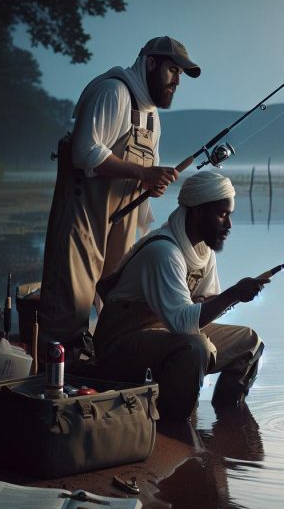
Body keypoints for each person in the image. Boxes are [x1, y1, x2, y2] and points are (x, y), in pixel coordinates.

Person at [39, 36, 200, 355]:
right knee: (69, 307)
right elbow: (84, 152)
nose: (177, 81)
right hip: (83, 216)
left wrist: (152, 183)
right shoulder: (113, 92)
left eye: (181, 74)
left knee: (120, 303)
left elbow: (145, 171)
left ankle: (104, 365)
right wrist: (143, 174)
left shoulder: (152, 115)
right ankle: (52, 376)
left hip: (123, 222)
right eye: (172, 70)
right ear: (150, 63)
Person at [90, 171, 269, 420]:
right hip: (120, 347)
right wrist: (234, 293)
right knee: (196, 348)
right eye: (222, 215)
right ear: (196, 212)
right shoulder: (164, 252)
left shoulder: (204, 251)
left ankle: (228, 419)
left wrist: (233, 296)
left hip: (166, 335)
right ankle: (174, 422)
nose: (228, 225)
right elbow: (184, 323)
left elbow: (203, 306)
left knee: (249, 342)